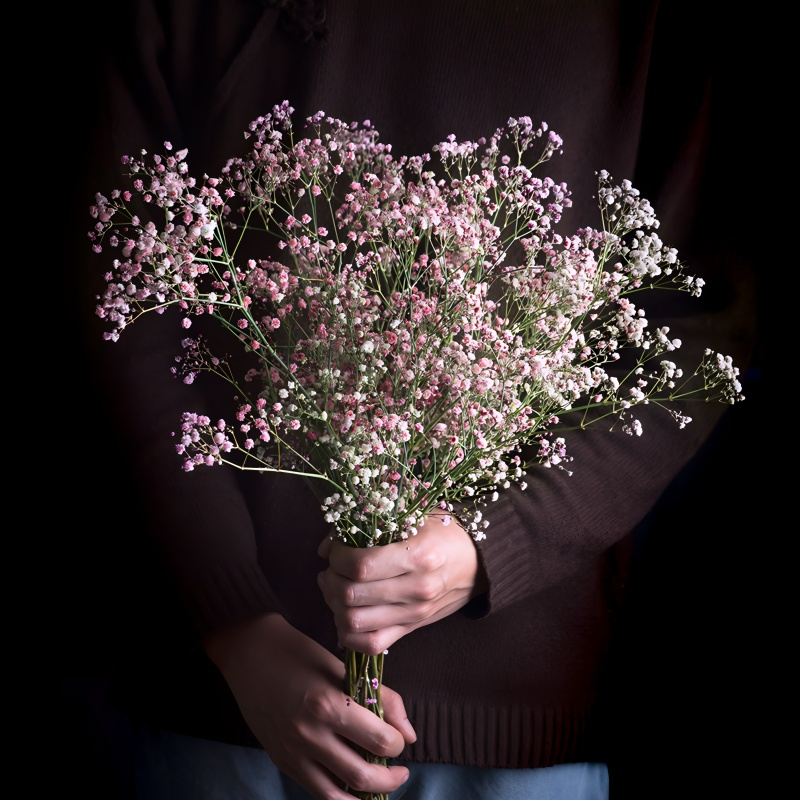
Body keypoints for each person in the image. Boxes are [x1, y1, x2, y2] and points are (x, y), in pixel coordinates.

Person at [54, 1, 760, 798]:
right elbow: (118, 287)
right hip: (226, 707)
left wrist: (493, 541)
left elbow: (704, 326)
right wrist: (234, 621)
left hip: (522, 717)